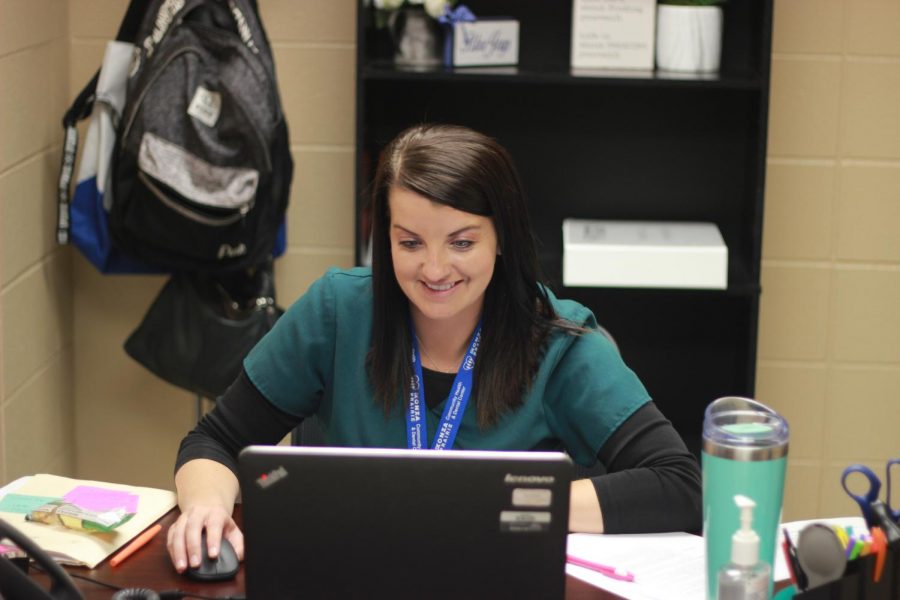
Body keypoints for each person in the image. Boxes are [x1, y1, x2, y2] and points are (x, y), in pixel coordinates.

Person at [167, 124, 701, 572]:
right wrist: (205, 507)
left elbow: (679, 486)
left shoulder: (558, 341)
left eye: (462, 242)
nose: (435, 270)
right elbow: (215, 439)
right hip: (347, 573)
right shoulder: (337, 312)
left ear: (503, 239)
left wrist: (492, 504)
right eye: (410, 243)